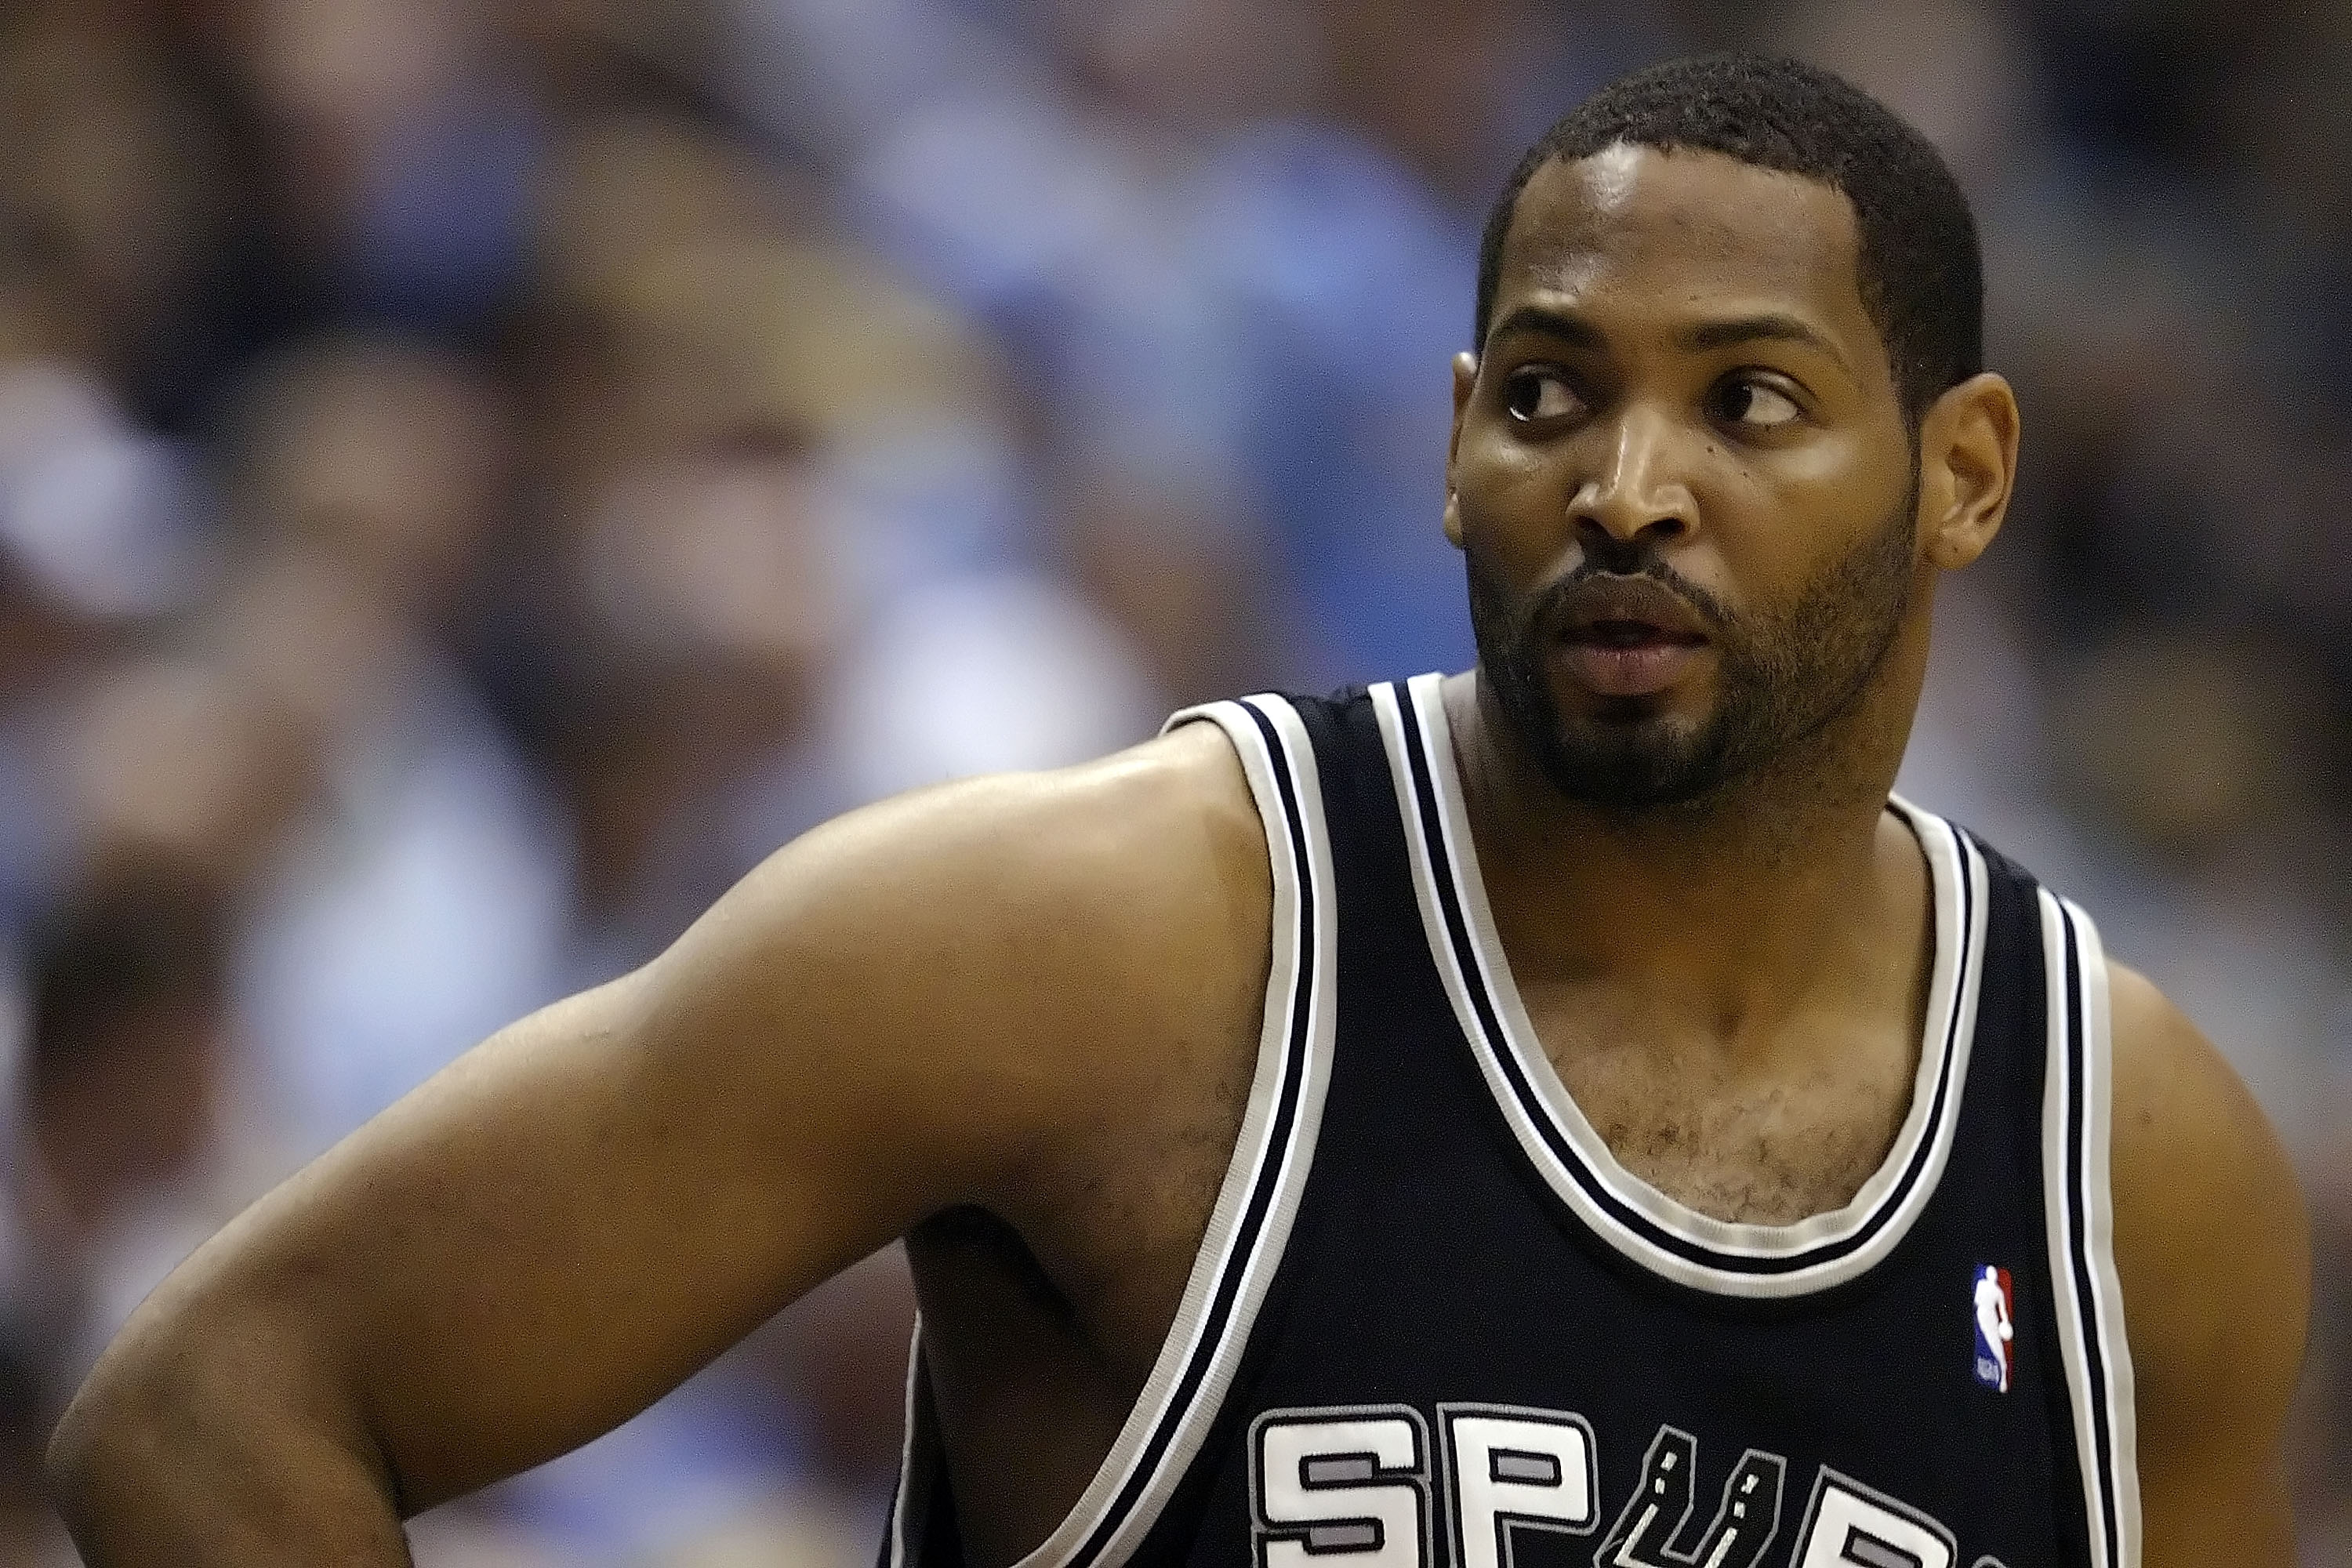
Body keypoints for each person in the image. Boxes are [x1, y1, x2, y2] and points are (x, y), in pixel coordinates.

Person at [45, 53, 2307, 1567]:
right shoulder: (1105, 942)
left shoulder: (2138, 1171)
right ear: (1446, 449)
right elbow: (224, 1406)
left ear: (1969, 475)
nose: (1627, 488)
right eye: (1549, 395)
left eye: (1751, 402)